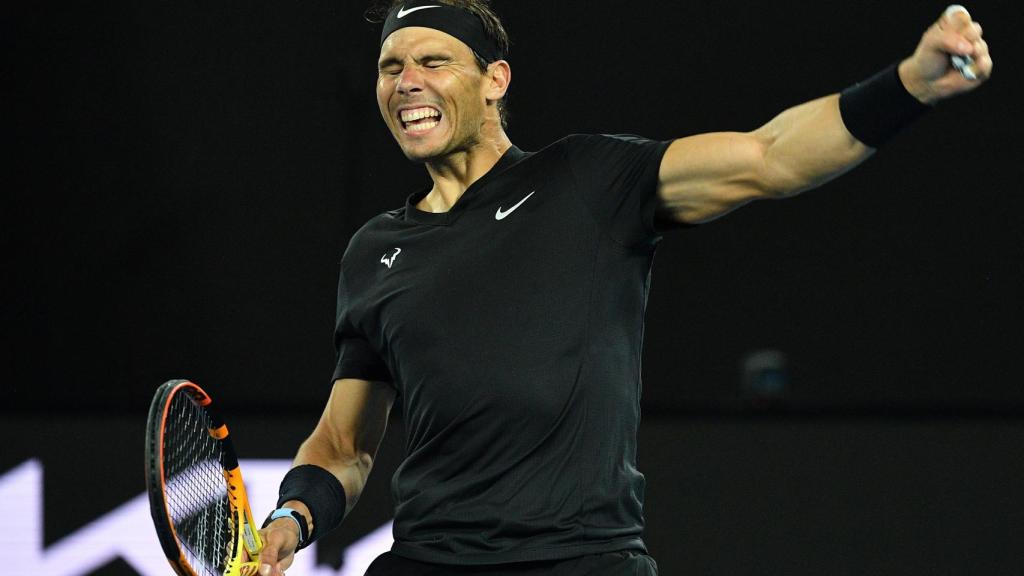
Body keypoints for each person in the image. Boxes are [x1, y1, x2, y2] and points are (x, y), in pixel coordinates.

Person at [255, 1, 993, 574]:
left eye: (432, 61)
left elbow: (770, 158)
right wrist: (293, 516)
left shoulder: (588, 182)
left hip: (582, 560)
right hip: (428, 560)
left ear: (494, 81)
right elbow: (344, 444)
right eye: (390, 67)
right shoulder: (374, 252)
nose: (405, 82)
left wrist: (909, 85)